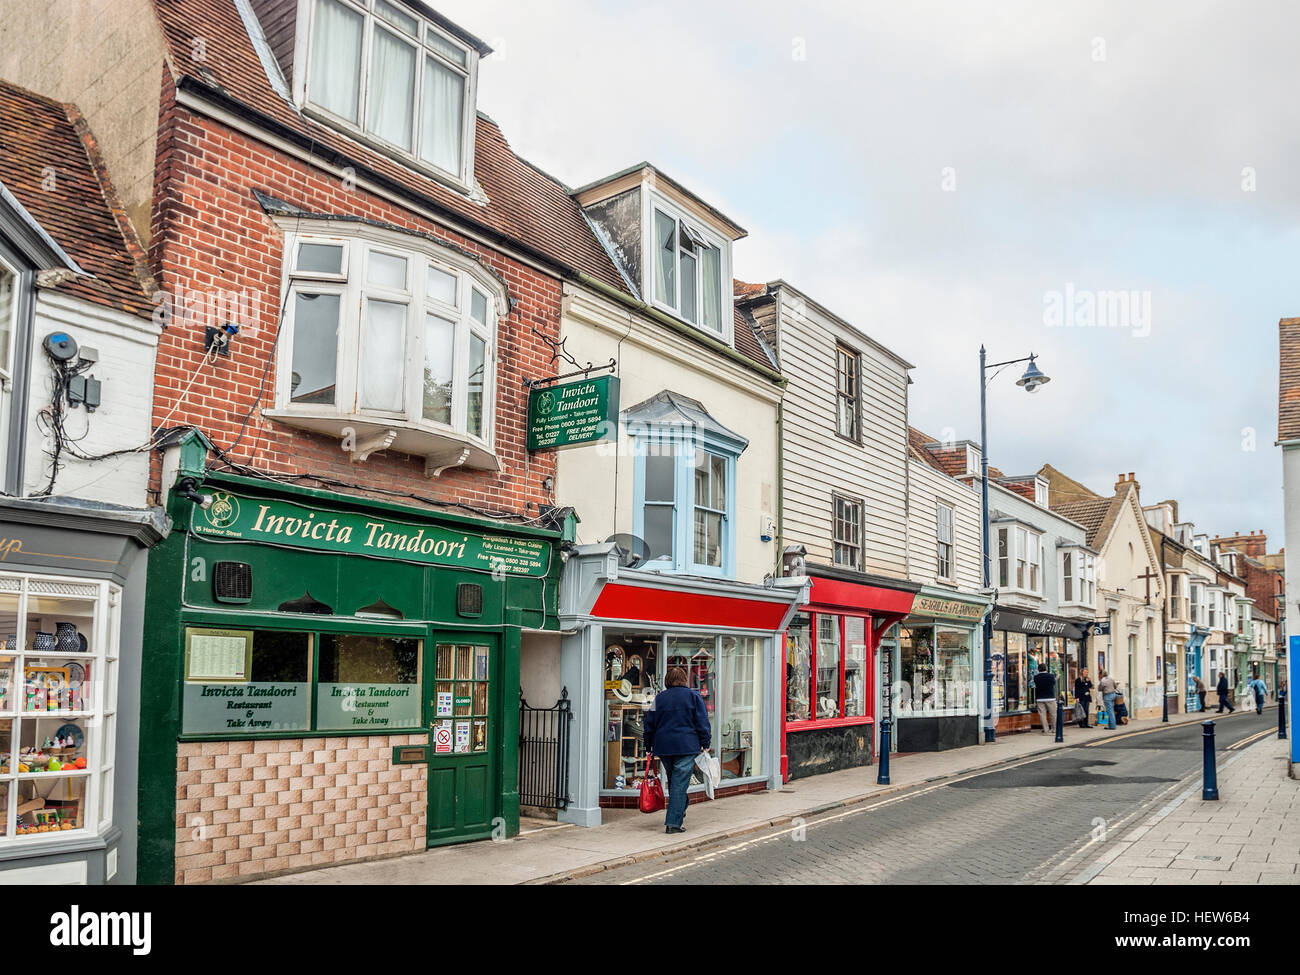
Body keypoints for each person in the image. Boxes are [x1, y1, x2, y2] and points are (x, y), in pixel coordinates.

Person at [644, 665, 711, 835]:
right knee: (679, 785)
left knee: (676, 783)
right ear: (684, 679)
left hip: (664, 747)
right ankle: (673, 824)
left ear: (667, 680)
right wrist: (705, 742)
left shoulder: (658, 699)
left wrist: (648, 746)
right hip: (687, 747)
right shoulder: (693, 696)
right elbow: (703, 722)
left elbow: (649, 724)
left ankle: (679, 808)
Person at [1033, 663, 1056, 734]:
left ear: (1038, 669)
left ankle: (1046, 730)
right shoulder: (1051, 676)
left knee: (1042, 715)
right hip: (1050, 698)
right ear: (1046, 668)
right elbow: (1053, 683)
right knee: (1053, 714)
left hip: (1040, 698)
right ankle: (1054, 729)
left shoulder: (1036, 677)